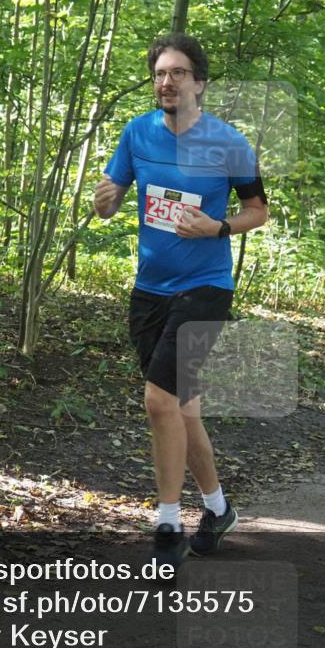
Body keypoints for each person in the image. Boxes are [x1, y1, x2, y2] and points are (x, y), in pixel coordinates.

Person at [94, 32, 268, 570]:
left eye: (177, 73)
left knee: (157, 401)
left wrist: (219, 228)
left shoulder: (229, 143)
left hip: (206, 289)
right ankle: (217, 509)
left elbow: (258, 211)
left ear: (199, 83)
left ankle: (167, 523)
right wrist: (105, 199)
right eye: (159, 74)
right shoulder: (136, 132)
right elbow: (110, 197)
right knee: (180, 407)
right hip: (150, 290)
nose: (166, 82)